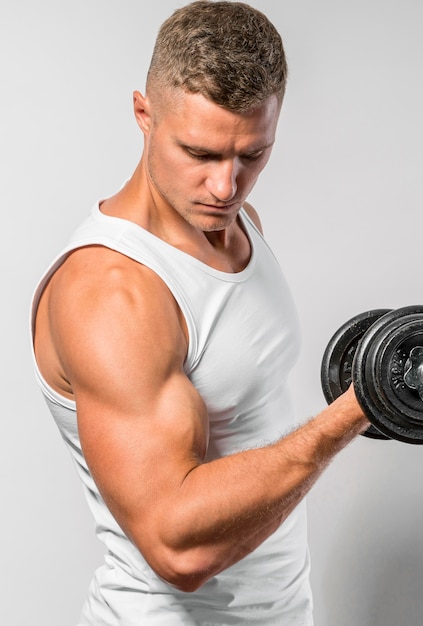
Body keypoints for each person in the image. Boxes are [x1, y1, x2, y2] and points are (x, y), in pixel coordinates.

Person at [31, 1, 368, 624]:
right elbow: (175, 548)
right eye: (201, 153)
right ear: (143, 114)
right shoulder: (114, 292)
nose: (226, 186)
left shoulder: (241, 228)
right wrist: (353, 413)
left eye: (252, 156)